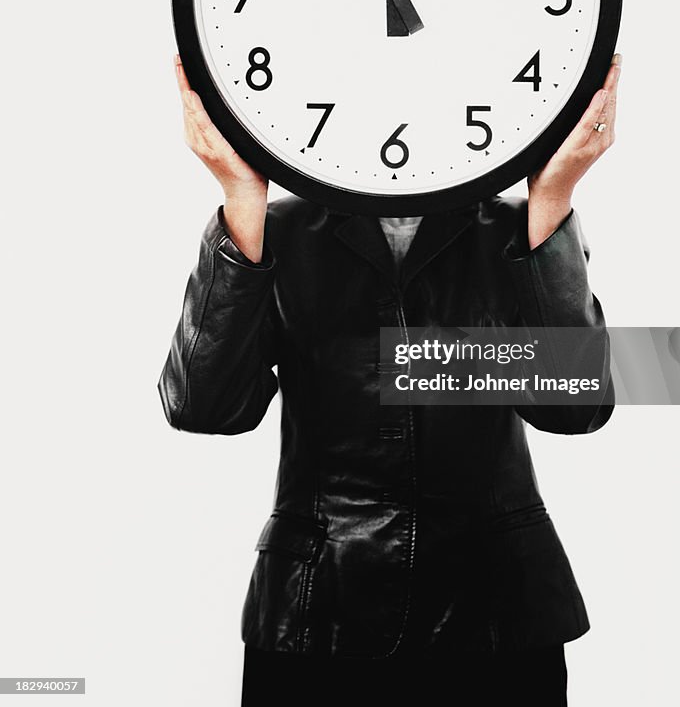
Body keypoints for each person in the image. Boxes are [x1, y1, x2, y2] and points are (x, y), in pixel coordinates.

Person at [158, 50, 622, 703]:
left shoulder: (512, 231)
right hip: (317, 623)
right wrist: (240, 198)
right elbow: (202, 406)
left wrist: (554, 195)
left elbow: (573, 406)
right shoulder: (278, 229)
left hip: (499, 625)